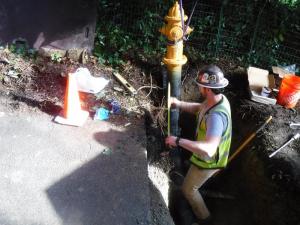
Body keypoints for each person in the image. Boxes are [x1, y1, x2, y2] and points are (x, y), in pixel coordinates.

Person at [165, 65, 232, 224]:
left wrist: (178, 141)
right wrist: (178, 104)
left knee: (189, 190)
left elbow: (209, 150)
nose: (199, 87)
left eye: (200, 85)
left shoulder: (216, 117)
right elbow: (199, 108)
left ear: (207, 89)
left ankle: (205, 219)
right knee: (190, 179)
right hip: (205, 156)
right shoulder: (216, 100)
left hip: (208, 160)